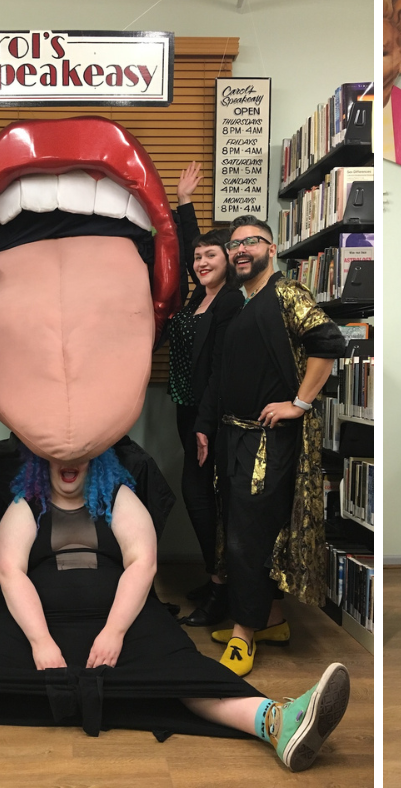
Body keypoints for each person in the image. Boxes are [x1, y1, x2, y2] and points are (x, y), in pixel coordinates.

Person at [0, 449, 351, 772]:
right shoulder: (26, 501)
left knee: (184, 674)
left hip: (123, 616)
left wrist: (114, 632)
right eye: (58, 455)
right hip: (36, 618)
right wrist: (39, 641)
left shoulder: (119, 496)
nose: (69, 463)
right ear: (42, 459)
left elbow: (142, 564)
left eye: (79, 455)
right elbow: (9, 571)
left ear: (97, 456)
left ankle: (278, 724)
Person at [191, 215, 346, 676]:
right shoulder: (243, 303)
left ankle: (243, 635)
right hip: (233, 436)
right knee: (238, 528)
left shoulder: (287, 293)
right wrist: (205, 426)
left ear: (271, 248)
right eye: (235, 244)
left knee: (248, 538)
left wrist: (299, 402)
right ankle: (272, 621)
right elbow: (222, 375)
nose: (241, 250)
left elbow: (328, 339)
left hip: (267, 442)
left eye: (251, 242)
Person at [165, 162, 237, 627]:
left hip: (210, 417)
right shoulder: (199, 297)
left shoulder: (232, 302)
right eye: (198, 258)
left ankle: (221, 589)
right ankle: (217, 577)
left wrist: (205, 423)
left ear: (231, 258)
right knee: (199, 498)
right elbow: (194, 247)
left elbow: (223, 369)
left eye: (213, 256)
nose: (202, 263)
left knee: (204, 498)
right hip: (185, 408)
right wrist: (184, 202)